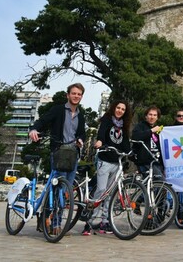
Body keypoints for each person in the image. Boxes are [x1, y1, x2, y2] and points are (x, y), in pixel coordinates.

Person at [82, 100, 132, 235]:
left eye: (123, 109)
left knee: (110, 193)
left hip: (117, 162)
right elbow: (102, 134)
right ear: (113, 108)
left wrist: (130, 152)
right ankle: (90, 220)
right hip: (105, 160)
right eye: (118, 108)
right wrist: (100, 141)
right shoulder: (106, 120)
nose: (120, 110)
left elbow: (125, 142)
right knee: (101, 190)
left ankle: (105, 221)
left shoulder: (124, 126)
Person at [29, 83, 86, 186]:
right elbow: (42, 120)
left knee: (68, 186)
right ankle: (52, 202)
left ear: (81, 96)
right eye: (73, 93)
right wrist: (34, 129)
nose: (76, 96)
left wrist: (81, 140)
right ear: (68, 95)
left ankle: (63, 201)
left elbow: (82, 134)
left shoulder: (81, 116)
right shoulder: (58, 110)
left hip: (73, 154)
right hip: (58, 152)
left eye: (79, 94)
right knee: (58, 186)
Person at [132, 106, 164, 179]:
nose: (152, 117)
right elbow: (135, 137)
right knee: (161, 182)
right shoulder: (140, 126)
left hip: (156, 162)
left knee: (156, 186)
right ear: (146, 116)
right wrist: (151, 131)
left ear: (157, 117)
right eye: (150, 114)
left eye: (154, 115)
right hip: (144, 162)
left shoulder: (159, 130)